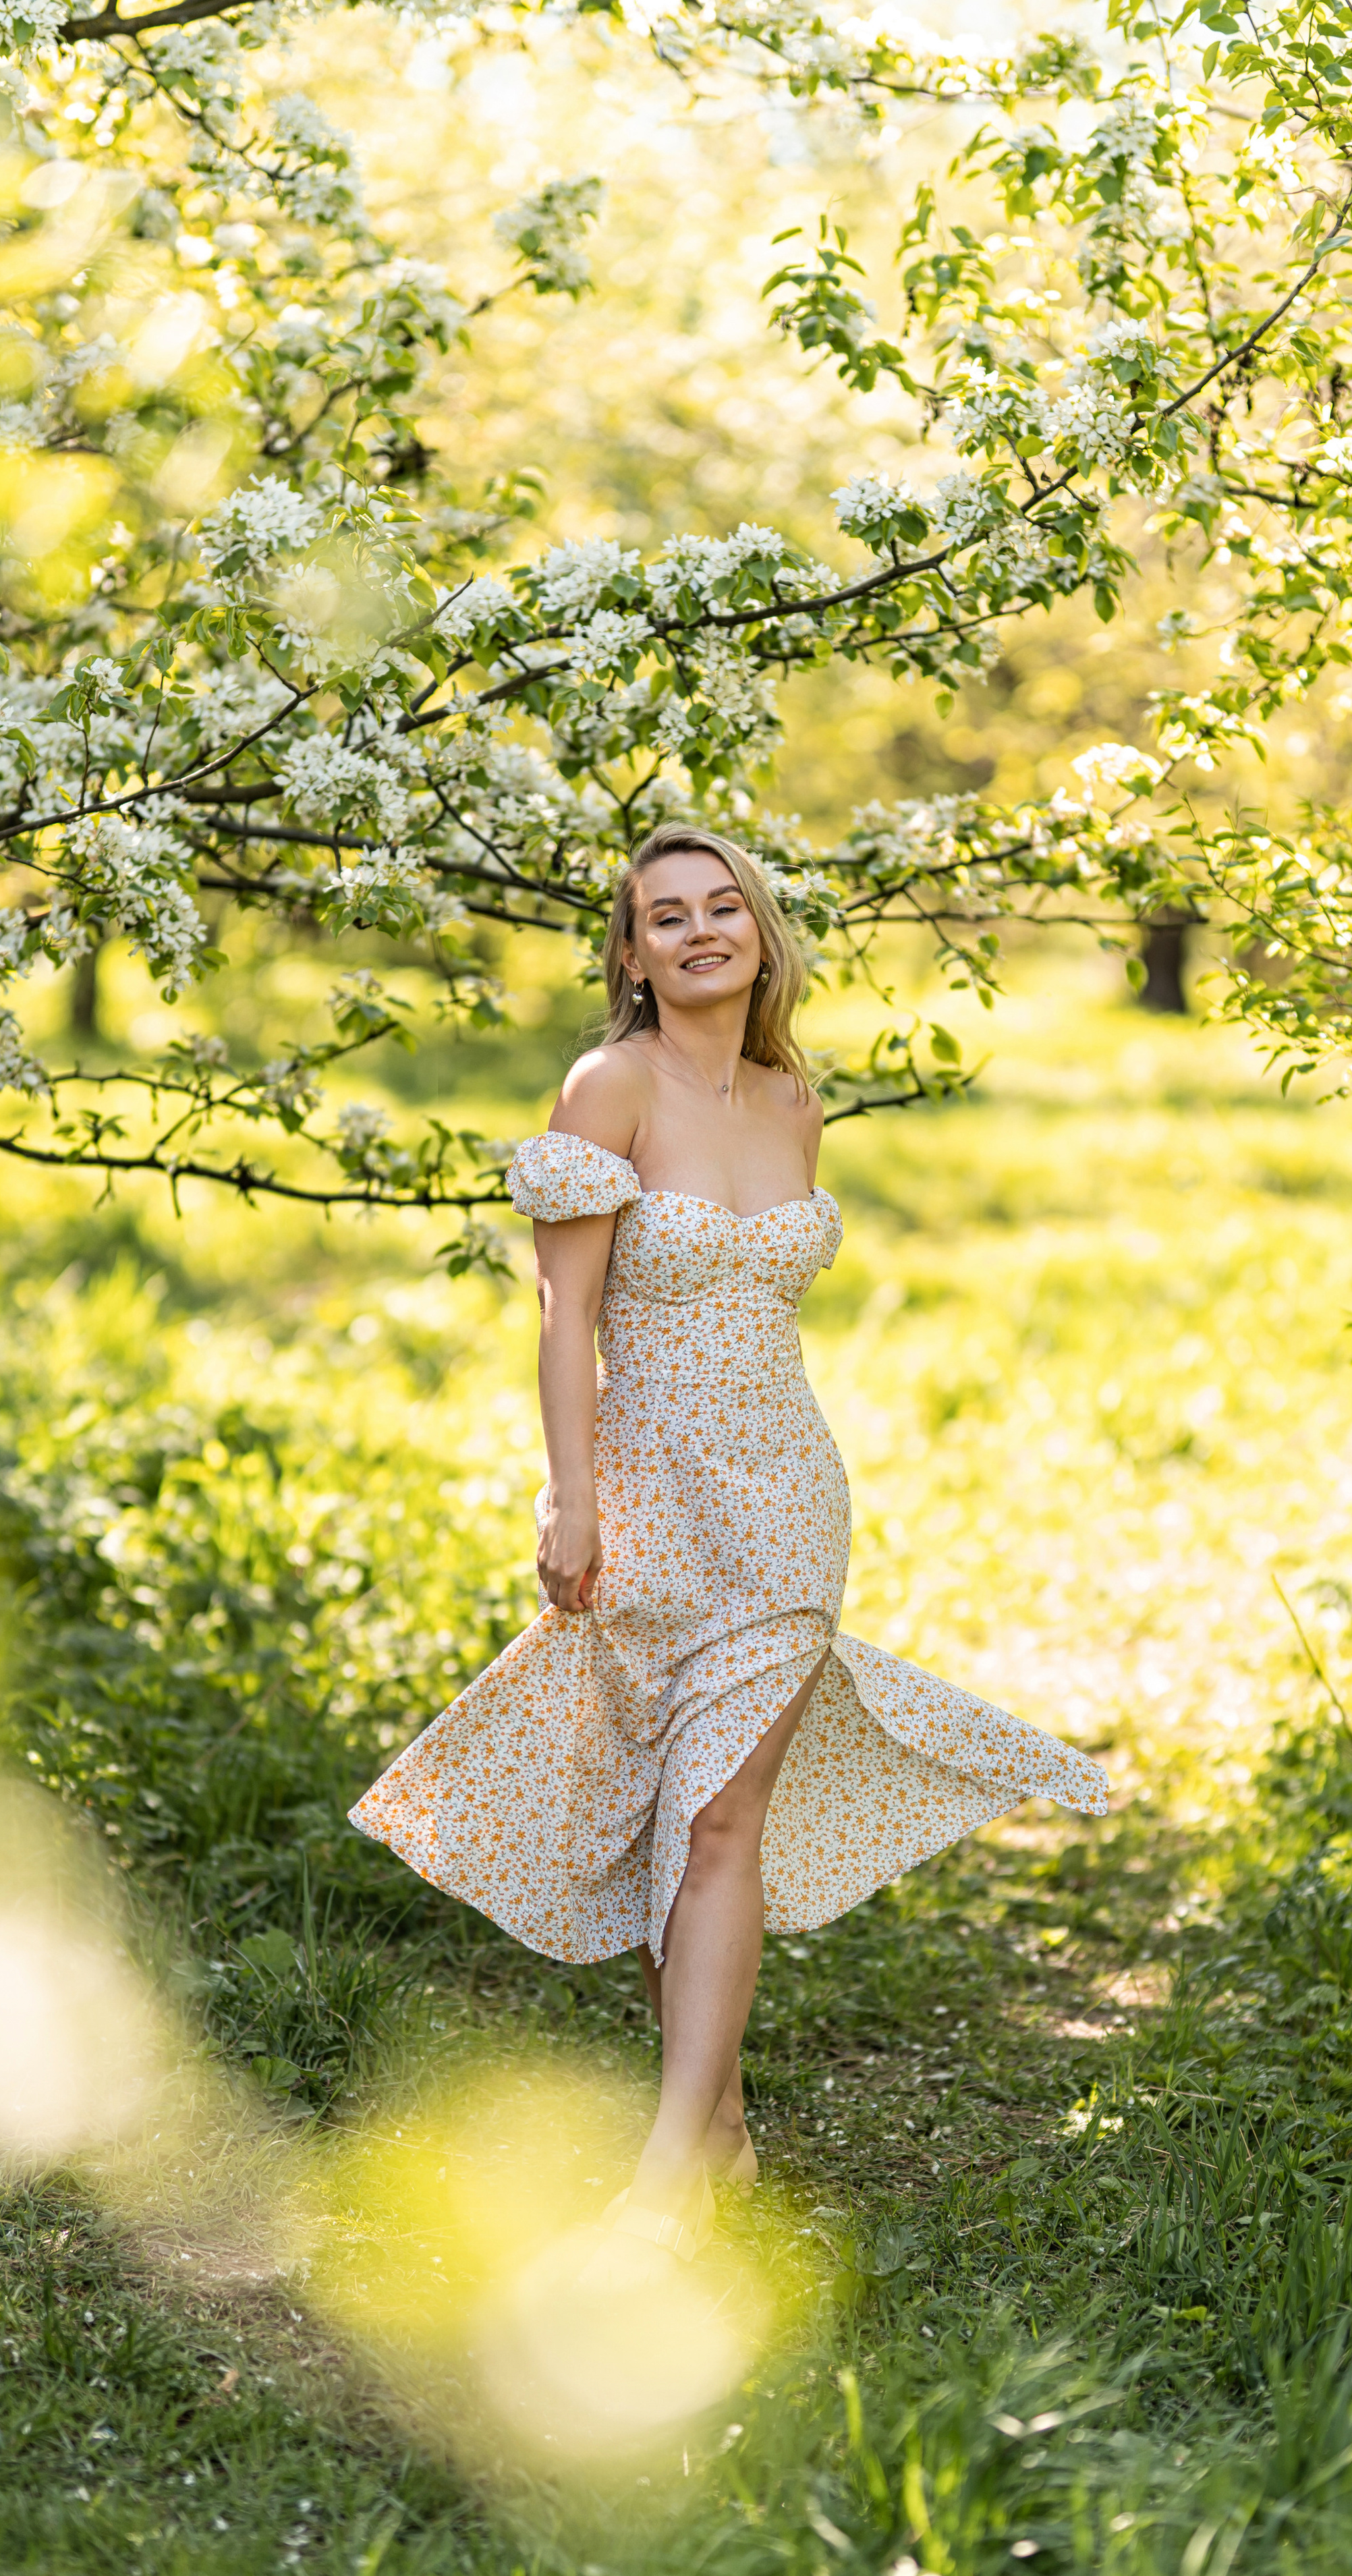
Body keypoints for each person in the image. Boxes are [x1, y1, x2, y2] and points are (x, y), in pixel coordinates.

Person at [349, 821, 1108, 2285]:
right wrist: (567, 1498)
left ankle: (659, 2186)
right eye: (664, 917)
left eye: (722, 908)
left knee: (714, 1824)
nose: (700, 932)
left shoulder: (791, 1100)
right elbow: (562, 1317)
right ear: (629, 954)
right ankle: (721, 2134)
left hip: (780, 1507)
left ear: (758, 930)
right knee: (653, 1821)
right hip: (643, 1498)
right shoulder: (606, 1087)